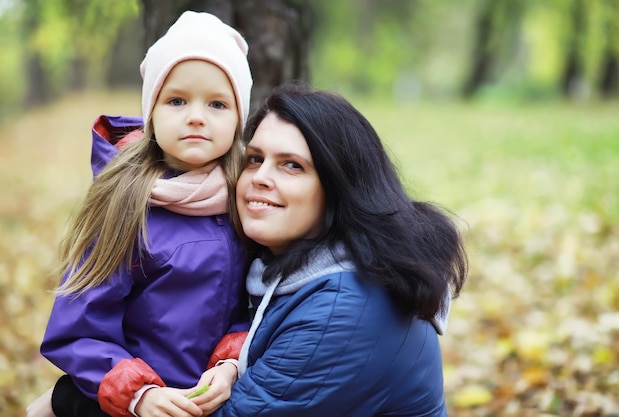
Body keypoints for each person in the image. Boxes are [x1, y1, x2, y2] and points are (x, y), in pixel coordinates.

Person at [26, 10, 253, 417]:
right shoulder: (126, 204)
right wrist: (139, 394)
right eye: (177, 100)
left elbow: (253, 307)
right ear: (152, 112)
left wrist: (231, 363)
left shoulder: (246, 199)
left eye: (218, 103)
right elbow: (78, 330)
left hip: (212, 401)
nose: (196, 116)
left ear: (239, 119)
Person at [207, 82, 467, 416]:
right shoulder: (288, 265)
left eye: (292, 165)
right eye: (255, 159)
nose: (260, 177)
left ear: (338, 188)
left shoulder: (344, 307)